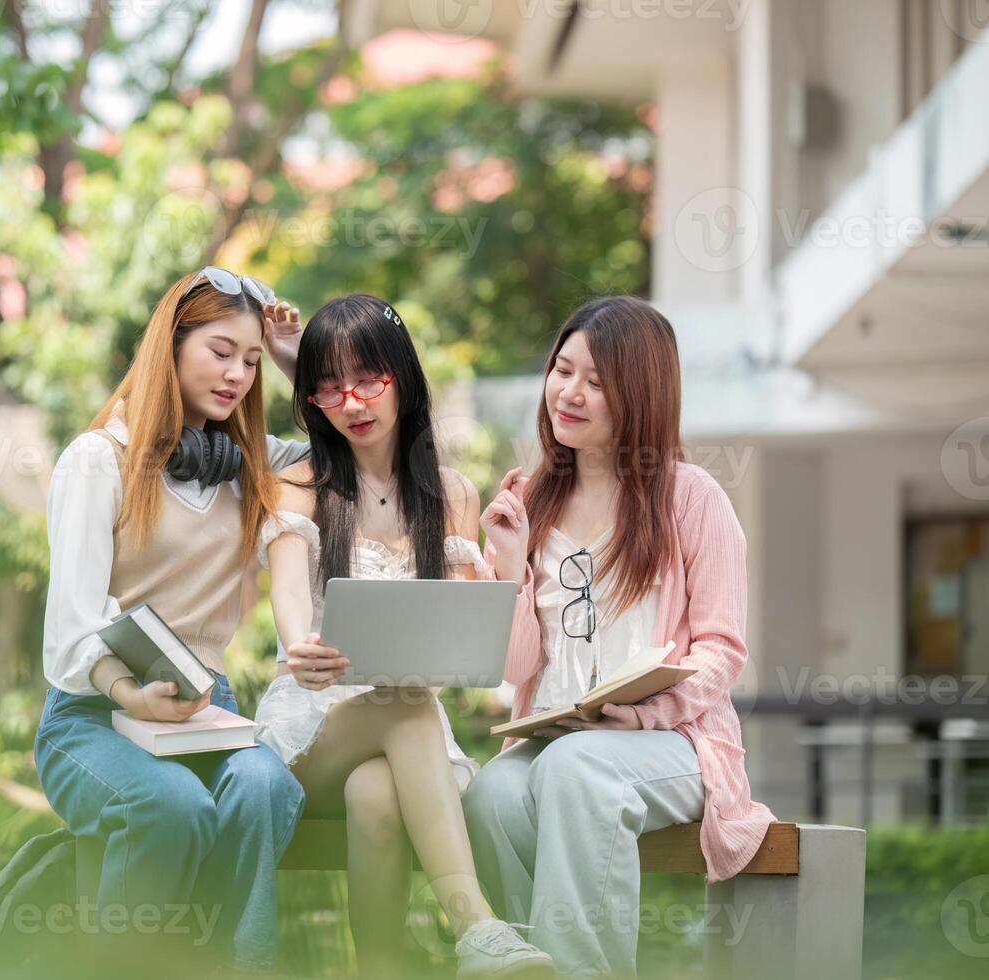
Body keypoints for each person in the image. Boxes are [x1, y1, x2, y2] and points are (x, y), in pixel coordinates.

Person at [461, 295, 777, 980]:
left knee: (576, 769)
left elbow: (721, 652)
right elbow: (511, 668)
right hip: (555, 742)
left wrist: (643, 710)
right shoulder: (531, 497)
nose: (569, 393)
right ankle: (528, 965)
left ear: (639, 392)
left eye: (597, 381)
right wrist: (509, 568)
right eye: (563, 370)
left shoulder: (691, 498)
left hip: (675, 744)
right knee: (488, 794)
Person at [256, 294, 556, 980]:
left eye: (368, 379)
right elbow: (289, 590)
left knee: (377, 791)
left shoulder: (448, 494)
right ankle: (477, 928)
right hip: (311, 726)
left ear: (403, 376)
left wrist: (507, 564)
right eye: (329, 387)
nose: (352, 401)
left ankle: (381, 969)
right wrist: (301, 644)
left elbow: (459, 626)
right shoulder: (301, 482)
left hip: (401, 736)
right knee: (407, 707)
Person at [32, 268, 308, 973]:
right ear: (171, 344)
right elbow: (71, 627)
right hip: (94, 716)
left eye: (250, 362)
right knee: (172, 806)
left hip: (206, 712)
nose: (237, 375)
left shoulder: (247, 467)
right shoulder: (99, 461)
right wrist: (129, 693)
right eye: (220, 351)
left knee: (265, 786)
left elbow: (358, 451)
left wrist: (292, 361)